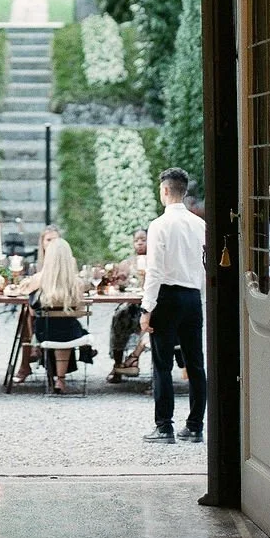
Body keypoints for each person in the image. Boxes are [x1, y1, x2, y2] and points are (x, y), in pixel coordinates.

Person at [140, 167, 207, 443]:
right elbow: (204, 267)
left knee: (162, 364)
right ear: (184, 190)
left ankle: (164, 425)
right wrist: (200, 297)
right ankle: (195, 425)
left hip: (167, 297)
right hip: (192, 296)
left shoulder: (159, 225)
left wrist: (147, 308)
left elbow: (154, 270)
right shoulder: (199, 224)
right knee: (195, 363)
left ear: (165, 190)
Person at [31, 236, 91, 394]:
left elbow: (32, 310)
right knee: (68, 327)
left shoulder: (38, 280)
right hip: (70, 334)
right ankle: (60, 379)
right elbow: (78, 312)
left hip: (44, 332)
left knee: (52, 326)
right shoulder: (76, 283)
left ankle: (49, 371)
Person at [12, 224, 61, 383]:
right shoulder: (35, 266)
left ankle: (28, 359)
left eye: (55, 240)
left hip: (59, 309)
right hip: (39, 309)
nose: (51, 243)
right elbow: (27, 288)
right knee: (27, 311)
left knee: (28, 312)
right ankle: (31, 352)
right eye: (48, 240)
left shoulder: (66, 263)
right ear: (42, 243)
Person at [106, 227, 149, 383]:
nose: (139, 243)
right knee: (119, 316)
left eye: (143, 240)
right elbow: (119, 286)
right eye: (136, 240)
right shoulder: (128, 263)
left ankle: (135, 359)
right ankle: (117, 365)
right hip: (131, 305)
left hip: (149, 306)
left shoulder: (155, 260)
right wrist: (119, 279)